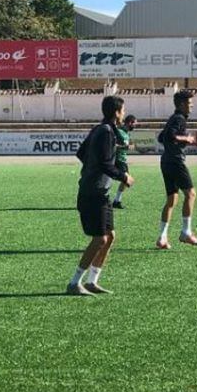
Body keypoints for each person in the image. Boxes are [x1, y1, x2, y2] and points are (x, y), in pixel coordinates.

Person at [67, 96, 135, 296]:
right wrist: (123, 176)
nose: (124, 114)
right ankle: (74, 282)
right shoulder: (106, 132)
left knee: (110, 237)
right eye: (123, 111)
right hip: (93, 193)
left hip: (100, 192)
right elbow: (105, 164)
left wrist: (92, 167)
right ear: (116, 113)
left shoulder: (100, 129)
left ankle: (92, 281)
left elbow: (81, 153)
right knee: (99, 239)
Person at [157, 90, 197, 249]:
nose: (192, 106)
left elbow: (160, 137)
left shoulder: (173, 118)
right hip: (176, 161)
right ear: (182, 105)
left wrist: (179, 140)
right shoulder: (179, 118)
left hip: (166, 161)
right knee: (191, 194)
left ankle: (162, 237)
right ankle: (186, 232)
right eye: (190, 104)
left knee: (172, 200)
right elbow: (169, 136)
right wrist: (187, 138)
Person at [112, 114, 137, 209]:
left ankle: (117, 201)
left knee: (126, 181)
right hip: (117, 160)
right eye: (134, 124)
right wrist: (124, 147)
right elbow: (112, 145)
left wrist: (127, 146)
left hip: (123, 161)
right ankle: (116, 201)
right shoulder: (119, 132)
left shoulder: (126, 133)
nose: (135, 126)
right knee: (127, 180)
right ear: (130, 122)